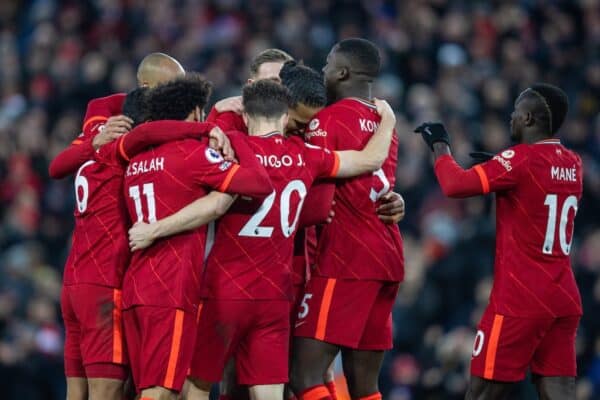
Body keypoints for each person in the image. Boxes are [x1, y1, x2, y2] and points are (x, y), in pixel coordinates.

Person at [126, 79, 396, 400]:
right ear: (285, 118)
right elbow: (369, 160)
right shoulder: (308, 155)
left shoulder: (230, 146)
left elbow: (209, 198)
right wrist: (389, 120)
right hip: (274, 297)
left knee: (196, 385)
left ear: (247, 115)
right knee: (268, 393)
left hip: (224, 291)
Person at [56, 83, 230, 400]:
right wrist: (210, 126)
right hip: (105, 286)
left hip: (74, 283)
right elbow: (149, 134)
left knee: (77, 391)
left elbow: (57, 166)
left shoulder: (93, 148)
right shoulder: (121, 150)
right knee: (108, 391)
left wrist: (93, 140)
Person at [414, 83, 582, 400]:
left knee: (479, 393)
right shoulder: (573, 162)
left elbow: (454, 185)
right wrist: (498, 165)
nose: (511, 119)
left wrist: (440, 146)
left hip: (522, 297)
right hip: (562, 296)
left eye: (516, 113)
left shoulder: (519, 160)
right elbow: (537, 185)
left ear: (530, 118)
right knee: (559, 392)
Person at [120, 75, 273, 400]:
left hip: (136, 288)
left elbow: (211, 204)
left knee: (146, 389)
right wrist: (234, 142)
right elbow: (259, 183)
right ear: (195, 114)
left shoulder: (135, 162)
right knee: (159, 393)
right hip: (170, 289)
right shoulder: (192, 155)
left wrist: (218, 200)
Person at [290, 38, 404, 400]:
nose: (322, 72)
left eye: (326, 65)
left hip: (346, 259)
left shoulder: (327, 121)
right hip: (387, 256)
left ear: (342, 72)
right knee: (364, 386)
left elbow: (317, 194)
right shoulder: (384, 123)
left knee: (303, 374)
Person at [49, 52, 186, 179]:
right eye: (171, 88)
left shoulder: (181, 119)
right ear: (146, 87)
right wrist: (96, 141)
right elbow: (56, 168)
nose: (177, 97)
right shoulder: (111, 116)